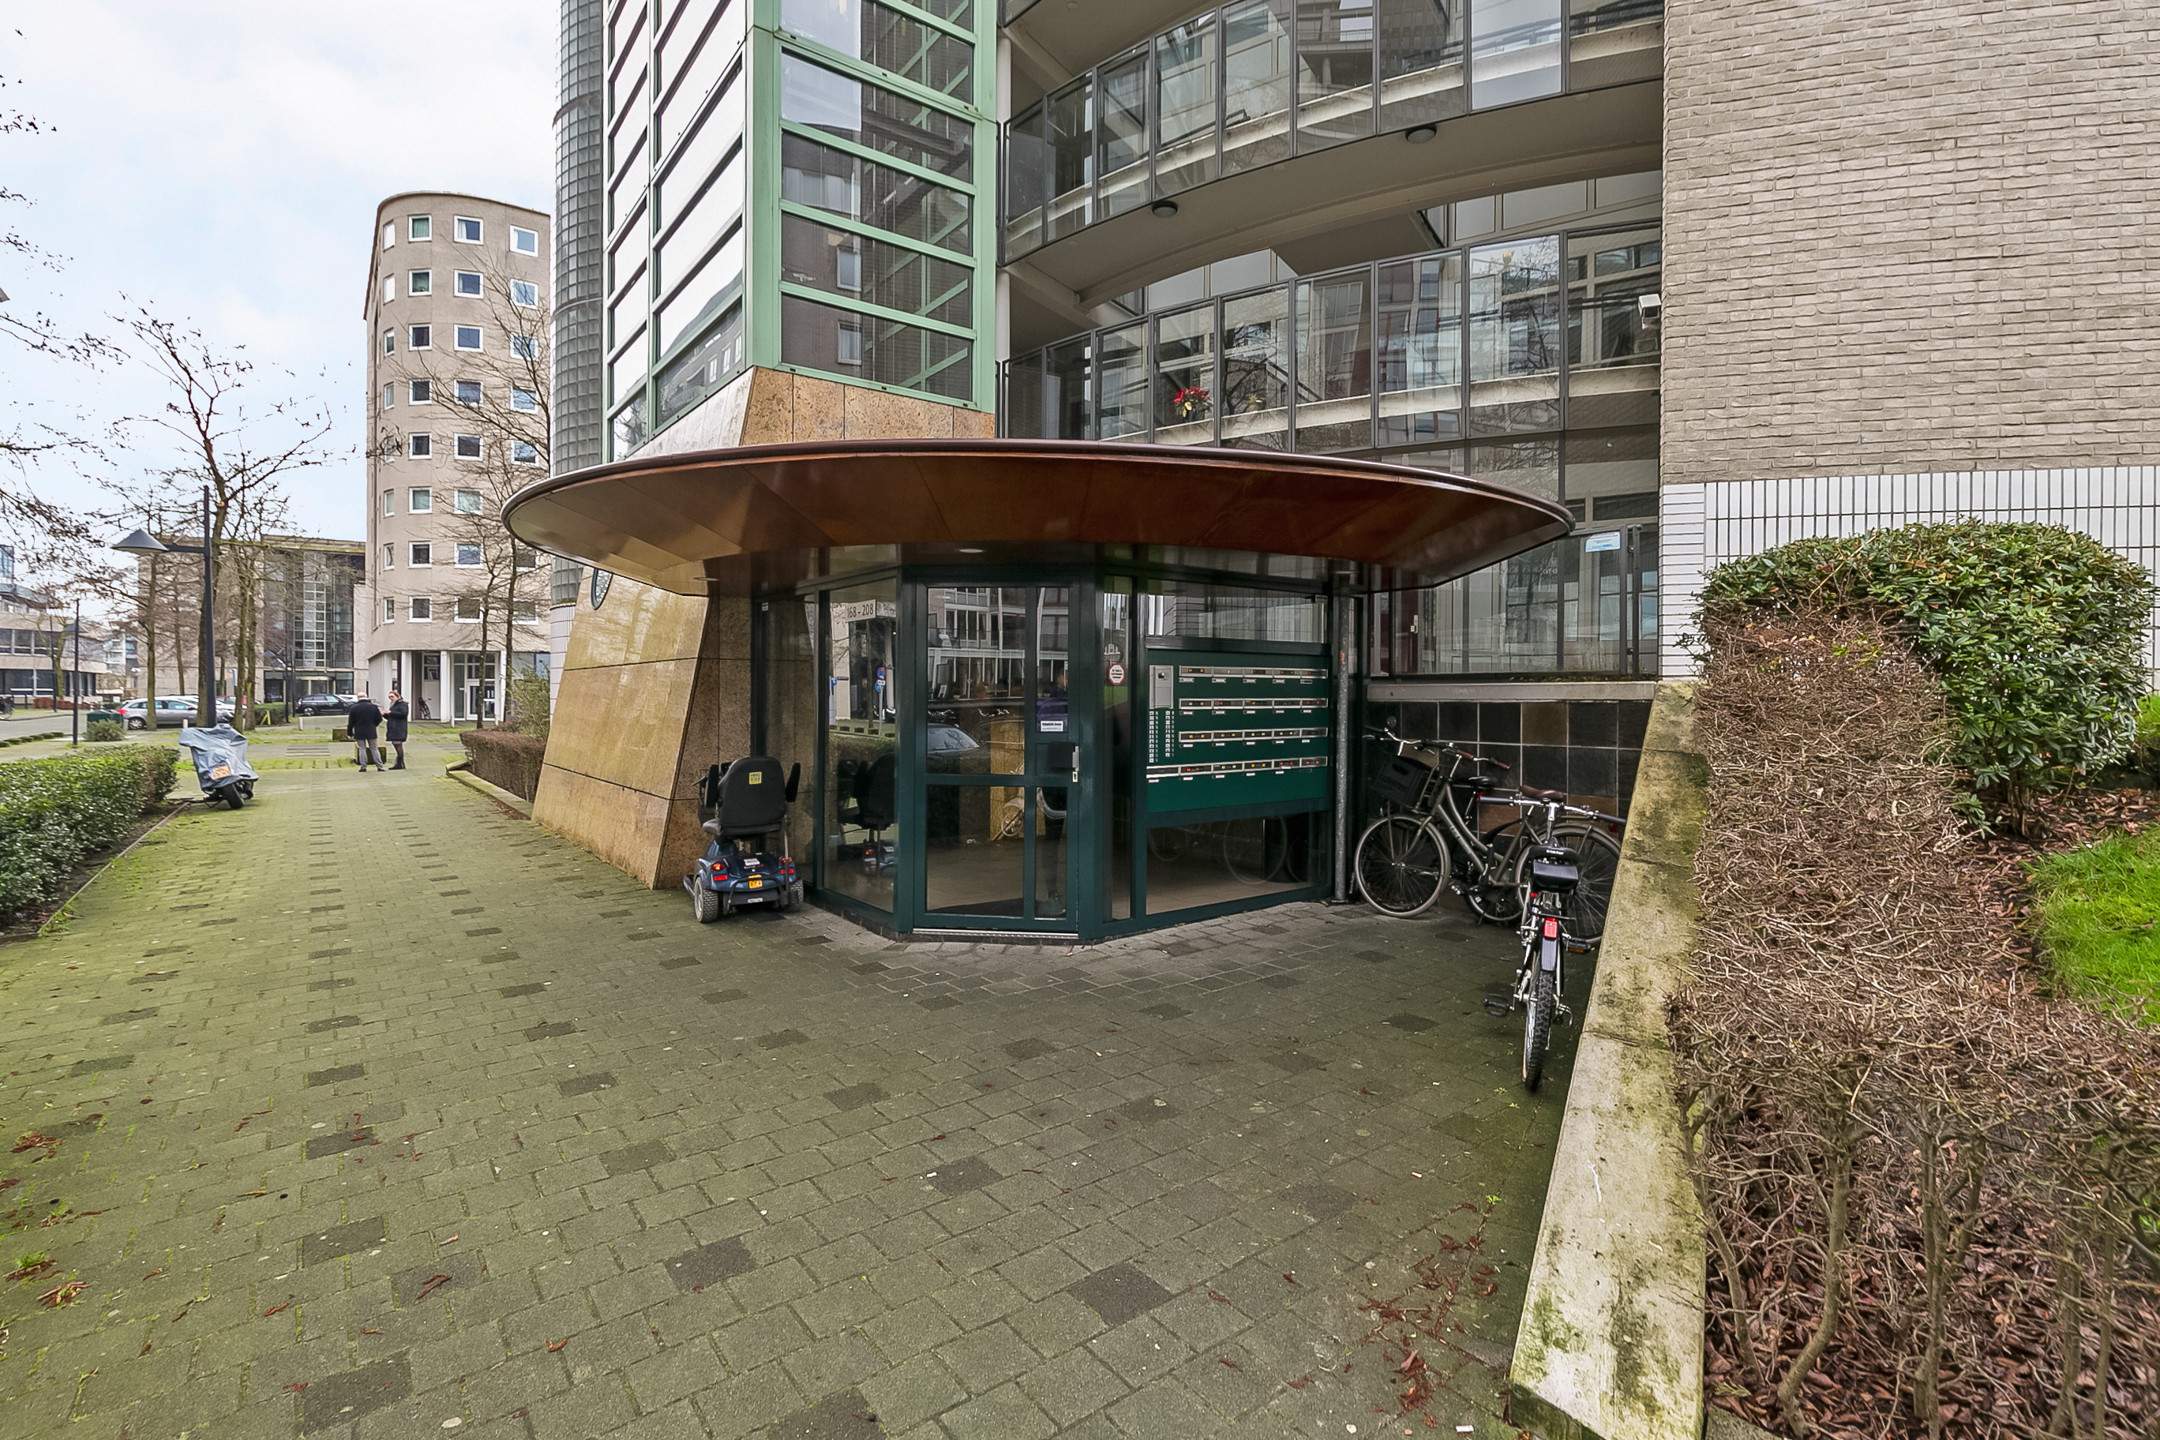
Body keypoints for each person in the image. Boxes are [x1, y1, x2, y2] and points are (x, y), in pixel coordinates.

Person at [348, 693, 385, 772]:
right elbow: (379, 718)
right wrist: (374, 725)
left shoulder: (354, 708)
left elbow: (351, 722)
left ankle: (363, 766)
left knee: (362, 749)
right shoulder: (373, 707)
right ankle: (379, 766)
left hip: (359, 731)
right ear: (366, 697)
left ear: (358, 698)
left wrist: (350, 733)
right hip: (371, 730)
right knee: (374, 748)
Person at [384, 689, 409, 770]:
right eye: (389, 697)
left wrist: (390, 713)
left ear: (397, 696)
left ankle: (400, 763)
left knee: (398, 744)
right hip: (393, 727)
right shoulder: (394, 705)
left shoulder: (403, 704)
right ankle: (400, 763)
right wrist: (384, 714)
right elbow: (391, 717)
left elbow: (403, 714)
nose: (390, 698)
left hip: (399, 728)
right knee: (396, 745)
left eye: (392, 696)